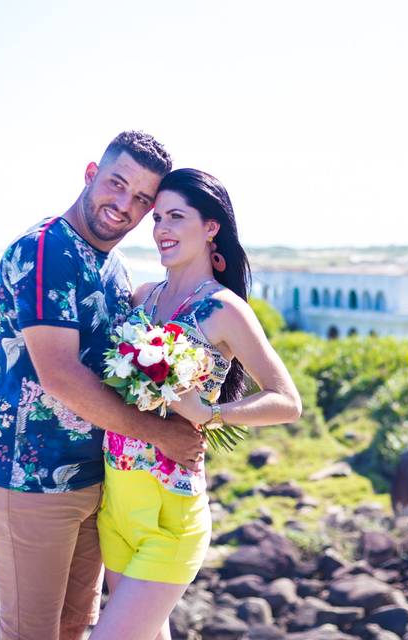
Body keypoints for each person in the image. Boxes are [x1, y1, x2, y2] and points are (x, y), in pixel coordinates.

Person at [0, 131, 207, 640]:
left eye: (142, 199)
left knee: (77, 628)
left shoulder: (112, 265)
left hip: (92, 481)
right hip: (26, 479)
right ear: (90, 173)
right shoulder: (44, 249)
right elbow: (58, 373)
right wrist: (159, 433)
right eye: (116, 184)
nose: (124, 205)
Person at [90, 168, 302, 640]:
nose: (161, 228)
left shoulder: (225, 310)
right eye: (158, 217)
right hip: (117, 504)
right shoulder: (142, 298)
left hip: (172, 512)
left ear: (210, 228)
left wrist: (212, 414)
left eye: (176, 217)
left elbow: (287, 401)